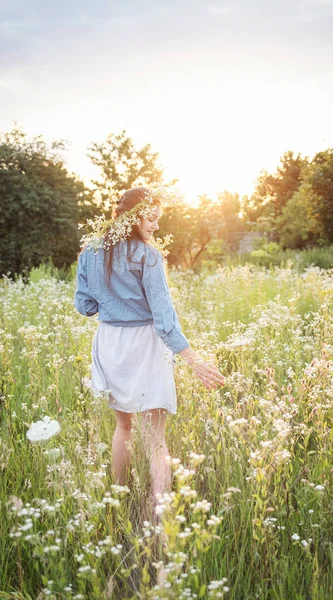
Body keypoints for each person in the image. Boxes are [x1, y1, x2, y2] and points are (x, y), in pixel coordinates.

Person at [74, 186, 226, 523]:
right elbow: (164, 320)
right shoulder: (149, 256)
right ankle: (159, 518)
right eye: (151, 218)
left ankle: (118, 503)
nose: (156, 226)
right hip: (145, 342)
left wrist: (106, 289)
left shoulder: (90, 252)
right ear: (132, 216)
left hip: (111, 343)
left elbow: (85, 306)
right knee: (155, 436)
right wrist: (195, 361)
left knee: (123, 427)